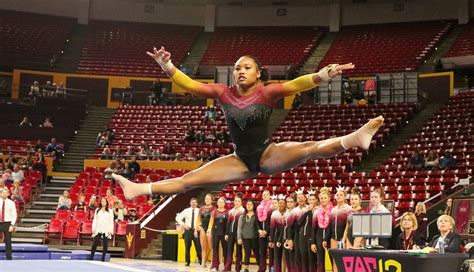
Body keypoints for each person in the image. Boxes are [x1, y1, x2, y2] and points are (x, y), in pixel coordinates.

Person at [112, 47, 384, 200]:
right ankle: (140, 189)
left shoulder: (268, 92)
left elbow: (297, 84)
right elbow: (191, 85)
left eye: (246, 67)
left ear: (259, 72)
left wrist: (324, 74)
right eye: (237, 68)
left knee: (309, 148)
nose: (240, 71)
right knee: (188, 181)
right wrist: (167, 66)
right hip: (239, 159)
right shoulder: (222, 93)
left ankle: (354, 138)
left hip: (267, 154)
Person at [329, 187, 351, 272]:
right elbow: (331, 225)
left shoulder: (348, 209)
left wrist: (344, 238)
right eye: (337, 195)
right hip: (334, 237)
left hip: (343, 238)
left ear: (345, 196)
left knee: (343, 260)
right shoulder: (333, 209)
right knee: (334, 260)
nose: (339, 197)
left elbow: (348, 224)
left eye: (341, 195)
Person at [311, 187, 332, 272]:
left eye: (325, 198)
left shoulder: (333, 210)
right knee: (320, 260)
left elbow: (331, 226)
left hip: (329, 237)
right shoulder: (316, 211)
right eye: (321, 198)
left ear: (329, 198)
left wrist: (326, 239)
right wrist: (313, 242)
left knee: (333, 260)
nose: (323, 200)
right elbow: (313, 228)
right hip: (319, 236)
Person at [175, 198, 202, 266]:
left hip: (196, 231)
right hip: (188, 231)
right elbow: (177, 218)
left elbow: (202, 220)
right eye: (192, 202)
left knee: (198, 247)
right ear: (190, 203)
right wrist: (183, 225)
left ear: (197, 203)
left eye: (195, 202)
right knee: (187, 247)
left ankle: (201, 261)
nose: (193, 203)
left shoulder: (199, 211)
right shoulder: (186, 210)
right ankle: (187, 261)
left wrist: (199, 226)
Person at [298, 191, 317, 272]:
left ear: (316, 201)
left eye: (313, 199)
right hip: (302, 236)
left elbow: (312, 224)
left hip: (311, 237)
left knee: (311, 259)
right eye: (310, 200)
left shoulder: (317, 210)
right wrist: (307, 211)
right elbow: (299, 222)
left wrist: (310, 212)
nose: (311, 201)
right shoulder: (305, 210)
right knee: (304, 258)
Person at [237, 200, 260, 272]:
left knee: (257, 253)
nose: (249, 205)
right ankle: (246, 269)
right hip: (245, 237)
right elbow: (239, 228)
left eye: (250, 204)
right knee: (247, 253)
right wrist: (239, 238)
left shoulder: (257, 216)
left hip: (255, 237)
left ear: (253, 206)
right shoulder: (242, 216)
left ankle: (260, 268)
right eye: (247, 204)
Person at [224, 194, 245, 272]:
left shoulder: (243, 211)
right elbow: (228, 223)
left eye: (238, 201)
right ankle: (227, 266)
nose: (236, 202)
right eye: (235, 201)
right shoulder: (231, 211)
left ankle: (238, 267)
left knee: (238, 251)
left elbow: (243, 225)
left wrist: (241, 236)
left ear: (241, 202)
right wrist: (226, 233)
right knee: (229, 250)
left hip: (238, 234)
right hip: (230, 233)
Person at [90, 197, 114, 261]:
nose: (103, 202)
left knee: (105, 244)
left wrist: (110, 230)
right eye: (102, 201)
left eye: (105, 201)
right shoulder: (97, 210)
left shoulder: (110, 211)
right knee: (95, 242)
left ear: (106, 202)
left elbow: (111, 221)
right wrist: (93, 228)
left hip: (106, 228)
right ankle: (91, 257)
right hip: (98, 228)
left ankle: (103, 258)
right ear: (100, 202)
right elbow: (95, 220)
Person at [269, 196, 287, 272]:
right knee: (277, 257)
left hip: (286, 237)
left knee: (285, 256)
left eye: (283, 203)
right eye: (280, 203)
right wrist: (271, 240)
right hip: (277, 237)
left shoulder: (288, 213)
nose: (281, 204)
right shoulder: (274, 214)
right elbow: (272, 228)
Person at [195, 193, 215, 270]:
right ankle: (203, 264)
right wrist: (196, 229)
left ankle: (212, 264)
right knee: (203, 247)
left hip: (210, 229)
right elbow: (198, 219)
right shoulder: (201, 209)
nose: (207, 200)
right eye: (206, 199)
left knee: (211, 247)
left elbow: (212, 219)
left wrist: (209, 229)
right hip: (202, 228)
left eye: (209, 199)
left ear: (212, 200)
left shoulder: (213, 209)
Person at [256, 190, 273, 272]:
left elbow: (272, 221)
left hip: (269, 232)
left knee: (270, 252)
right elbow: (257, 221)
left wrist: (266, 231)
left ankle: (271, 270)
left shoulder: (272, 207)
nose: (265, 196)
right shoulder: (259, 207)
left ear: (270, 196)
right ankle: (262, 269)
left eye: (267, 194)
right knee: (262, 252)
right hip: (261, 233)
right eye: (263, 195)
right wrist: (259, 230)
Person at [210, 197, 228, 272]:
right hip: (215, 233)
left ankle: (226, 266)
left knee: (225, 249)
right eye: (219, 202)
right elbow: (211, 222)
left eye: (222, 202)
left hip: (224, 233)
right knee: (215, 249)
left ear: (225, 203)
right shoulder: (214, 212)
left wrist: (227, 233)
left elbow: (228, 224)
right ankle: (215, 266)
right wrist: (209, 230)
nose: (220, 203)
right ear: (217, 203)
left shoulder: (227, 212)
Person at [0, 188, 17, 260]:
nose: (4, 194)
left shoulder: (11, 203)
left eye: (6, 193)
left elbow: (14, 214)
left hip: (7, 223)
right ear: (0, 194)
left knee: (8, 241)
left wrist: (12, 225)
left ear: (8, 194)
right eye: (3, 193)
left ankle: (9, 257)